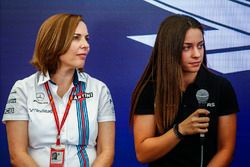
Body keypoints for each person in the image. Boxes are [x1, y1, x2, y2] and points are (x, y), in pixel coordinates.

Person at [2, 13, 115, 167]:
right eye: (76, 37)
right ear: (53, 41)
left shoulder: (99, 89)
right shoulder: (22, 89)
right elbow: (17, 154)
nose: (85, 45)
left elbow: (106, 152)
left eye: (86, 38)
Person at [130, 14, 239, 167]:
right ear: (170, 49)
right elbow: (143, 153)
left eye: (200, 45)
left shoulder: (221, 87)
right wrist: (180, 130)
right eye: (187, 47)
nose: (197, 54)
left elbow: (226, 149)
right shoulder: (150, 90)